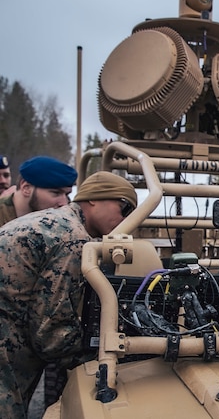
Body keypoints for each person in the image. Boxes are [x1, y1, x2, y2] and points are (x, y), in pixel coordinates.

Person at [0, 170, 138, 418]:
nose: (127, 220)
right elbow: (51, 334)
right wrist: (109, 353)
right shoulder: (73, 239)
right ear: (94, 199)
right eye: (125, 208)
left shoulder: (56, 221)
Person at [0, 156, 78, 227]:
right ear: (26, 188)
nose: (64, 203)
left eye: (67, 194)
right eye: (56, 193)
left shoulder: (64, 219)